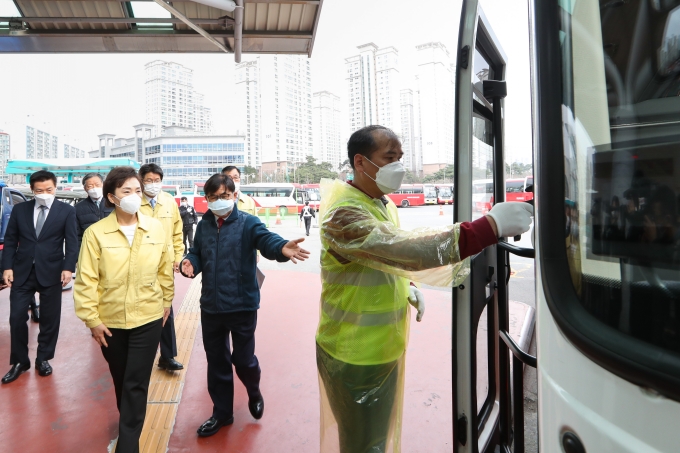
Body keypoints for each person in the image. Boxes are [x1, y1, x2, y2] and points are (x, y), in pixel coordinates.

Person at [316, 125, 533, 452]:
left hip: (385, 346)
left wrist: (409, 284)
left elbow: (387, 259)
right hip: (352, 353)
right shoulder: (343, 215)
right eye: (389, 158)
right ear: (360, 162)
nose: (398, 167)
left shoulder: (382, 204)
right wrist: (486, 228)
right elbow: (406, 250)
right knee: (360, 443)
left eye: (401, 158)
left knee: (377, 438)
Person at [180, 174, 310, 437]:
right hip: (211, 307)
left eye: (224, 196)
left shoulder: (248, 223)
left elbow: (266, 239)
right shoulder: (204, 225)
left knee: (243, 359)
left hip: (241, 306)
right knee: (217, 362)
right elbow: (197, 251)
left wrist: (281, 248)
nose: (219, 201)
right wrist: (190, 261)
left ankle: (253, 389)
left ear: (234, 196)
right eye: (213, 197)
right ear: (207, 199)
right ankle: (222, 413)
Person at [74, 166, 174, 453]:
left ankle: (127, 445)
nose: (134, 196)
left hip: (148, 316)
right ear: (112, 197)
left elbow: (164, 269)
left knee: (135, 382)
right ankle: (128, 423)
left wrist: (166, 301)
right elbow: (87, 279)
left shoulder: (155, 227)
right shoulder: (96, 233)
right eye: (126, 191)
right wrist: (91, 319)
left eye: (137, 191)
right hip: (110, 320)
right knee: (121, 379)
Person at [1, 170, 78, 384]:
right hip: (22, 271)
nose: (44, 194)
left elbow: (72, 242)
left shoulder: (66, 211)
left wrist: (68, 268)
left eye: (49, 190)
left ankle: (43, 358)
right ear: (32, 189)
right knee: (16, 317)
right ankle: (19, 361)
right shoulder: (20, 210)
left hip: (52, 270)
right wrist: (7, 267)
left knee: (50, 319)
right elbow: (10, 240)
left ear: (55, 187)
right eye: (39, 190)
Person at [138, 163, 184, 372]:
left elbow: (177, 231)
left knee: (167, 307)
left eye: (157, 181)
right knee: (142, 307)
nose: (153, 185)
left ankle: (167, 355)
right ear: (141, 180)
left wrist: (178, 256)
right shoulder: (134, 201)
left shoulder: (168, 201)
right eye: (149, 180)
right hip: (140, 262)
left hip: (164, 264)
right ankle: (141, 355)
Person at [75, 172, 113, 245]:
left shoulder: (112, 203)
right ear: (85, 188)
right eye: (90, 186)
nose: (94, 188)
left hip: (111, 246)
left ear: (103, 184)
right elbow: (77, 235)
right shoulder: (78, 208)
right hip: (90, 246)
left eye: (97, 185)